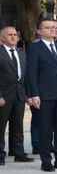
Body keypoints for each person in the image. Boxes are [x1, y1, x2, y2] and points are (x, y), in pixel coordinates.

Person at [26, 18, 57, 171]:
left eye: (56, 27)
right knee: (45, 129)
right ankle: (46, 160)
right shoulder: (35, 49)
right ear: (40, 31)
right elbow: (31, 74)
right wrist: (34, 94)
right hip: (44, 95)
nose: (54, 30)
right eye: (49, 28)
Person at [0, 26, 34, 165]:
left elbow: (24, 76)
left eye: (15, 34)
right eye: (10, 35)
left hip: (19, 95)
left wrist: (27, 94)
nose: (14, 37)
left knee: (17, 126)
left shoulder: (21, 53)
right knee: (1, 126)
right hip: (4, 95)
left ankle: (18, 152)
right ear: (2, 38)